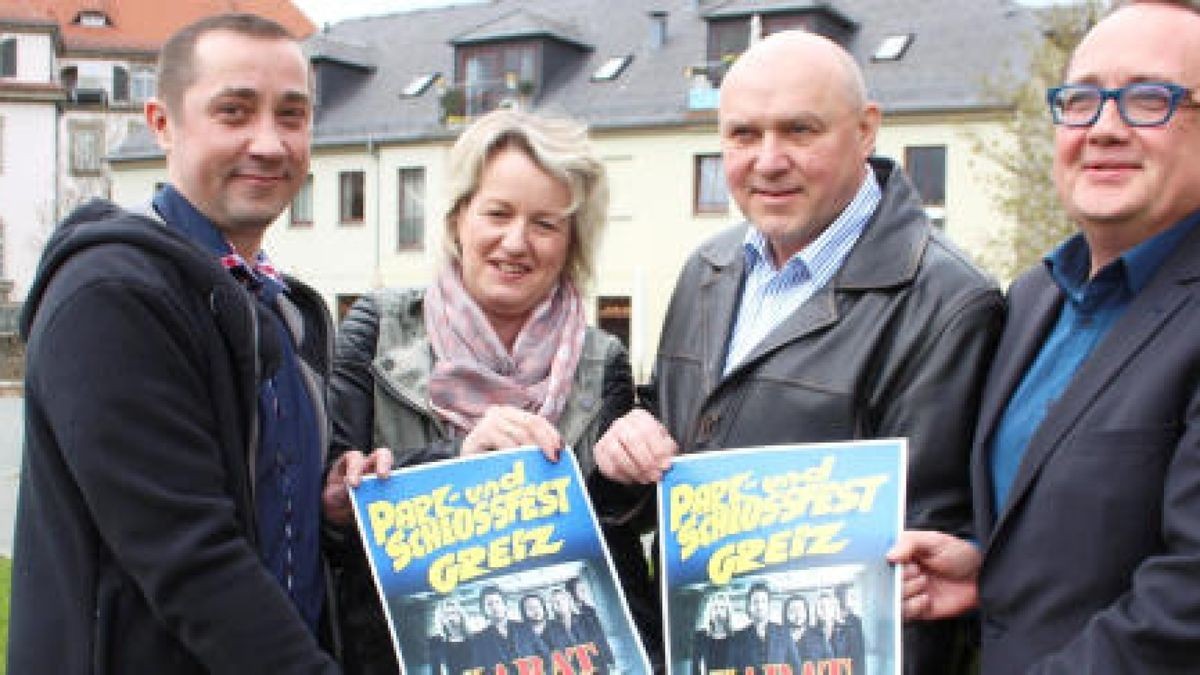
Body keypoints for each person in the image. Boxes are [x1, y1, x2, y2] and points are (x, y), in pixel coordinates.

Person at [593, 29, 1003, 675]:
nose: (768, 159)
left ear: (866, 130)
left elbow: (921, 578)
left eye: (800, 131)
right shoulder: (709, 267)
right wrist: (625, 451)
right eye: (742, 135)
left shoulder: (947, 301)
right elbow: (680, 443)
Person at [7, 13, 388, 673]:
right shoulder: (113, 297)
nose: (269, 143)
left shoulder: (283, 306)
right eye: (234, 112)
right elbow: (190, 555)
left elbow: (269, 504)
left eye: (292, 116)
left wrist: (335, 493)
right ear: (162, 123)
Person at [888, 2, 1200, 672]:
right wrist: (987, 573)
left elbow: (1186, 605)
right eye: (1082, 100)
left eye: (1149, 99)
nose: (1104, 128)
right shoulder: (1033, 298)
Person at [327, 109, 654, 672]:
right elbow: (329, 504)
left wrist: (634, 474)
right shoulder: (377, 329)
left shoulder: (604, 362)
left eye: (546, 224)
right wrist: (461, 461)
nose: (516, 242)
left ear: (572, 239)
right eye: (497, 214)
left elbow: (613, 542)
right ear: (458, 220)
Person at [471, 585, 551, 668]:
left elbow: (546, 655)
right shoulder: (479, 640)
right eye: (489, 604)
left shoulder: (524, 628)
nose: (494, 607)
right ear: (484, 610)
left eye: (497, 602)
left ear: (504, 604)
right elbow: (479, 669)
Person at [730, 582, 802, 674]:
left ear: (768, 605)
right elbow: (732, 670)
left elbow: (796, 667)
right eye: (755, 602)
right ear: (749, 606)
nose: (759, 606)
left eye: (763, 601)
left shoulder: (784, 633)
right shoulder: (738, 637)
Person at [692, 591, 735, 675]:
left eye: (722, 608)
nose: (718, 612)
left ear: (727, 613)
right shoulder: (700, 636)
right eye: (715, 608)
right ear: (710, 613)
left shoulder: (736, 637)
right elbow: (695, 667)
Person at [428, 597, 473, 675]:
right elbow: (435, 671)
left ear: (461, 615)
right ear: (441, 619)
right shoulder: (437, 645)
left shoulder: (474, 640)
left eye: (453, 613)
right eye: (446, 615)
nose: (450, 618)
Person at [783, 594, 830, 667]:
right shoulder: (779, 638)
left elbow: (829, 663)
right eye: (793, 610)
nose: (798, 614)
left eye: (800, 609)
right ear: (786, 614)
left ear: (806, 612)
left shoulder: (818, 636)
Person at [830, 585, 865, 674]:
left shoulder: (856, 621)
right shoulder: (829, 620)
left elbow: (860, 651)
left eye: (850, 597)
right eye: (847, 596)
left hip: (853, 668)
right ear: (838, 598)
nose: (850, 600)